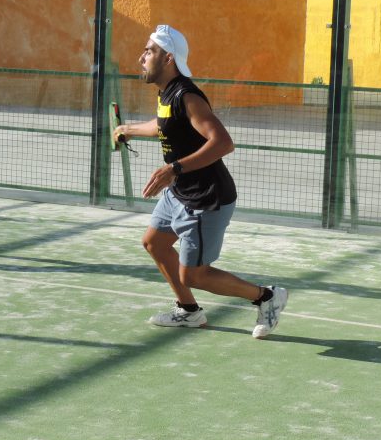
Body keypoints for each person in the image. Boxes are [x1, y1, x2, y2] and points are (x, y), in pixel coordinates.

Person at [114, 25, 286, 338]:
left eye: (148, 51)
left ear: (167, 58)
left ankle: (267, 297)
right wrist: (131, 128)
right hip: (180, 192)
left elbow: (223, 143)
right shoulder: (167, 94)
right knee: (154, 242)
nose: (141, 57)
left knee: (194, 275)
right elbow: (165, 125)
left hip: (206, 198)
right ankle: (189, 312)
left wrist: (173, 169)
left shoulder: (187, 95)